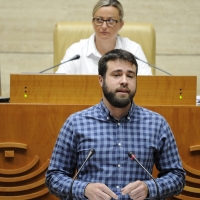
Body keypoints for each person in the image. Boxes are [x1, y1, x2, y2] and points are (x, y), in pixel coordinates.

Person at [46, 49, 185, 200]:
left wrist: (149, 188)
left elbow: (177, 176)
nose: (124, 80)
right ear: (101, 80)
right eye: (117, 74)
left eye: (130, 75)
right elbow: (54, 177)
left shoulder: (156, 124)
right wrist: (84, 189)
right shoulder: (76, 123)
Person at [55, 0, 152, 75]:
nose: (104, 26)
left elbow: (146, 84)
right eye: (99, 20)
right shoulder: (76, 52)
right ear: (93, 22)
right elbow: (60, 83)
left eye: (110, 21)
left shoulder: (133, 50)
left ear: (121, 24)